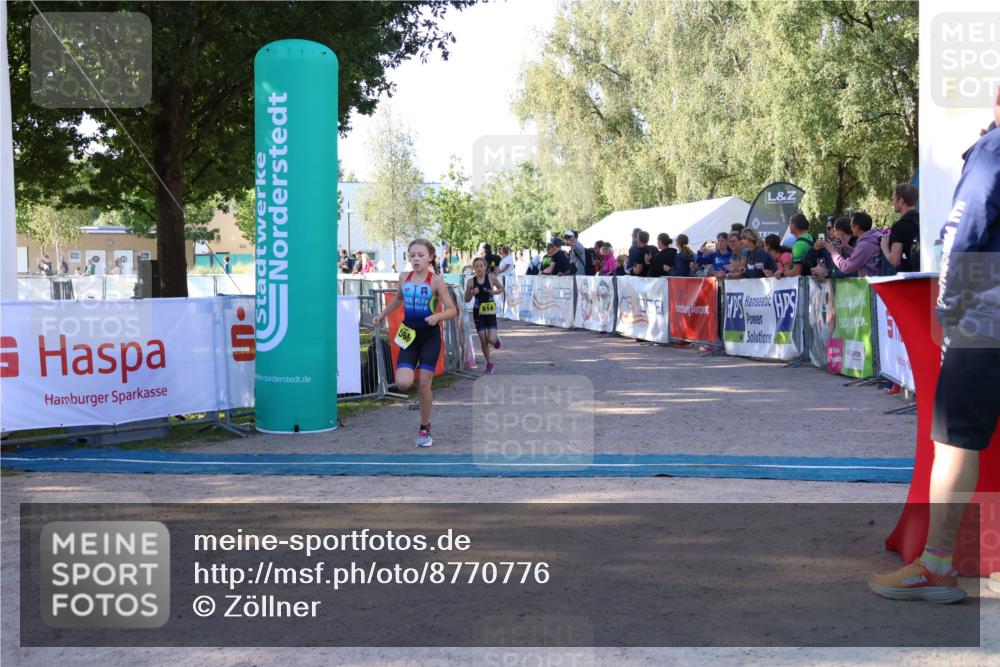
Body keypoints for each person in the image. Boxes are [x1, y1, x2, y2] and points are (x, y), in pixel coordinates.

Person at [868, 101, 1000, 604]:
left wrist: (946, 309)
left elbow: (963, 235)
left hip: (986, 316)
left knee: (954, 442)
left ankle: (937, 567)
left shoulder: (991, 151)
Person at [373, 239, 458, 448]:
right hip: (408, 336)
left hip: (429, 337)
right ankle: (416, 370)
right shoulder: (404, 278)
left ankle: (425, 427)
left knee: (423, 385)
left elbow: (452, 309)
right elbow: (398, 299)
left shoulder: (436, 281)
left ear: (430, 257)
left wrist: (438, 317)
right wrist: (382, 314)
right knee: (402, 383)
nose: (416, 259)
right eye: (412, 255)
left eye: (420, 255)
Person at [464, 257, 504, 374]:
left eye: (481, 266)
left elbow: (501, 288)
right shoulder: (471, 281)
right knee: (483, 339)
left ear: (485, 267)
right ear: (474, 268)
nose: (479, 268)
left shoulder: (491, 278)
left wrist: (494, 292)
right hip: (478, 313)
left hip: (490, 312)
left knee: (491, 339)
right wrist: (472, 292)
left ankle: (496, 340)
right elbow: (466, 299)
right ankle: (489, 364)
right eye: (476, 266)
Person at [816, 212, 882, 277]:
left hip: (873, 284)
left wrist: (834, 253)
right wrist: (847, 247)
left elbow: (846, 267)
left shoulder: (865, 244)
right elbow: (860, 256)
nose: (849, 228)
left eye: (851, 225)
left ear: (856, 227)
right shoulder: (872, 238)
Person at [882, 183, 920, 272]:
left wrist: (884, 247)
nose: (893, 202)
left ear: (901, 201)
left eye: (894, 199)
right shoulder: (923, 221)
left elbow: (895, 261)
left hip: (908, 279)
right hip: (925, 276)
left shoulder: (899, 226)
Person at [779, 213, 815, 278]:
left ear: (793, 226)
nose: (789, 226)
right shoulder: (810, 237)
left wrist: (782, 274)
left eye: (789, 223)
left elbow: (797, 272)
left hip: (806, 282)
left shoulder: (798, 245)